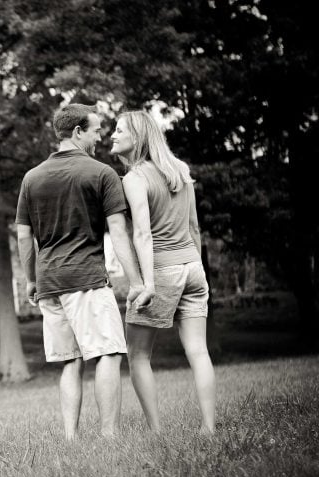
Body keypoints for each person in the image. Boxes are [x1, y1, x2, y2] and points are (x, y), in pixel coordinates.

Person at [16, 103, 148, 440]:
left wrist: (31, 279)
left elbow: (23, 234)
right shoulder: (100, 173)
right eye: (95, 130)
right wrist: (136, 282)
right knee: (107, 353)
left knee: (70, 361)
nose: (100, 135)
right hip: (86, 278)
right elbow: (118, 231)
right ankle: (108, 436)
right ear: (77, 132)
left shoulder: (31, 178)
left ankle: (71, 439)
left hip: (48, 282)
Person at [111, 110, 216, 434]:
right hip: (192, 267)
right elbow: (195, 227)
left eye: (118, 130)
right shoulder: (181, 170)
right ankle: (208, 427)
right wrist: (195, 268)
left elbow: (142, 233)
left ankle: (157, 431)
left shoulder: (134, 179)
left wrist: (147, 284)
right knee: (198, 351)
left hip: (161, 271)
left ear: (137, 138)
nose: (112, 135)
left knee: (138, 355)